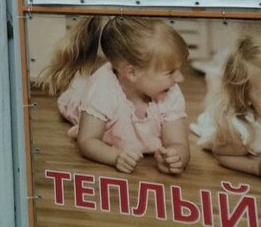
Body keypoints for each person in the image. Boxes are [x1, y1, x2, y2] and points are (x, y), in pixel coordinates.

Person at [37, 16, 190, 174]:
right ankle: (79, 83)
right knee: (76, 93)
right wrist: (115, 156)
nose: (180, 78)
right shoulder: (102, 91)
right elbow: (87, 140)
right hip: (83, 99)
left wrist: (176, 157)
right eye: (171, 72)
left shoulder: (170, 91)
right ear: (132, 73)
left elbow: (178, 143)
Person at [191, 34, 261, 177]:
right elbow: (221, 154)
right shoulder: (239, 131)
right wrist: (254, 166)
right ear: (246, 97)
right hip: (218, 120)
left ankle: (217, 80)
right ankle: (213, 80)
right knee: (212, 100)